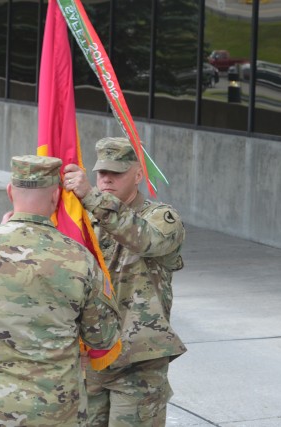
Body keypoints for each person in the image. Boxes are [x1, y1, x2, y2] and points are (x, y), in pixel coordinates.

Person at [0, 154, 121, 426]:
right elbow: (103, 338)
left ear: (10, 191)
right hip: (54, 411)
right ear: (56, 197)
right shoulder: (79, 259)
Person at [63, 137, 186, 427]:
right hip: (91, 356)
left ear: (138, 175)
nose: (106, 179)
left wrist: (92, 198)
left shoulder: (161, 218)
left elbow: (145, 239)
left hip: (137, 360)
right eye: (101, 173)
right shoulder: (86, 220)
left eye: (116, 172)